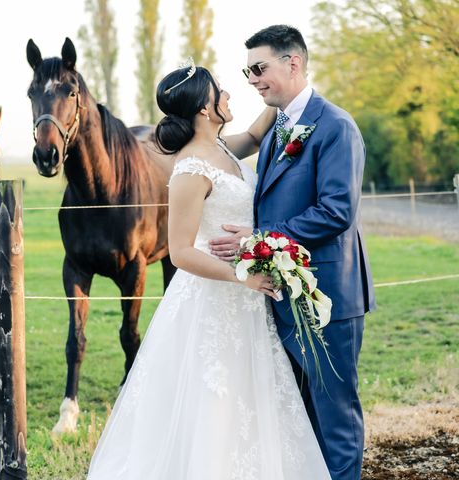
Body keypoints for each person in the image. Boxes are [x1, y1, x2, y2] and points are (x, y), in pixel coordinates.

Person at [86, 61, 331, 479]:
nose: (231, 95)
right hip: (213, 298)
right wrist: (244, 276)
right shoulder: (190, 169)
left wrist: (290, 88)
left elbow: (255, 134)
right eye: (221, 90)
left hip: (246, 302)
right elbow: (180, 252)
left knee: (249, 400)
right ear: (204, 107)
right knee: (213, 404)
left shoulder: (222, 149)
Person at [211, 25, 375, 480]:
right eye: (248, 70)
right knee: (299, 417)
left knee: (334, 416)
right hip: (282, 295)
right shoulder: (280, 125)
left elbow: (336, 211)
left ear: (293, 63)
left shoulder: (336, 126)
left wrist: (259, 237)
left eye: (259, 68)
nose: (252, 79)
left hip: (328, 298)